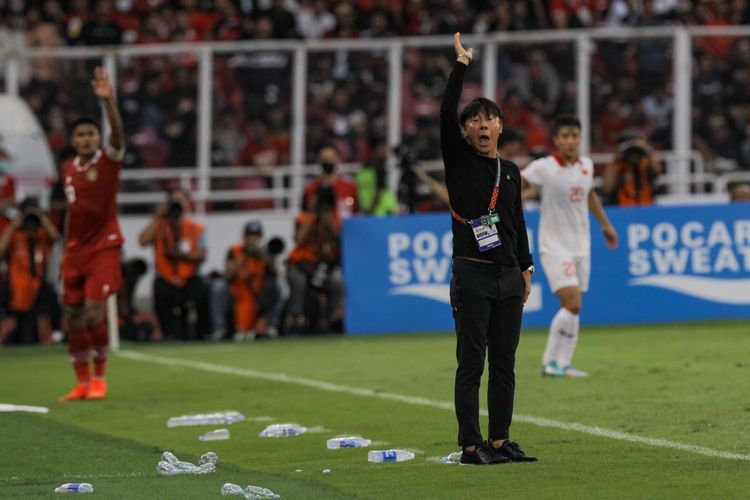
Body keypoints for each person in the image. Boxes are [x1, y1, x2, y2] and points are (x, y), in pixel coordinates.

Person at [442, 33, 536, 466]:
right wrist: (461, 65)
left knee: (505, 362)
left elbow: (516, 223)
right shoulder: (459, 162)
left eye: (488, 119)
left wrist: (526, 267)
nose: (482, 125)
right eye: (474, 121)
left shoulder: (511, 171)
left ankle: (499, 440)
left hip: (507, 277)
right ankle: (469, 445)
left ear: (499, 126)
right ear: (465, 131)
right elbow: (445, 113)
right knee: (471, 364)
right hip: (473, 273)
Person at [521, 115, 619, 378]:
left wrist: (605, 225)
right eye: (564, 136)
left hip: (581, 245)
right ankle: (548, 361)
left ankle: (563, 364)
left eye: (574, 135)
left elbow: (589, 195)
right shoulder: (544, 167)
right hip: (554, 246)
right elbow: (516, 183)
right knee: (572, 302)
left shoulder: (586, 165)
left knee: (575, 305)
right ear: (556, 140)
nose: (570, 140)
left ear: (580, 138)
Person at [58, 67, 125, 402]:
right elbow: (72, 213)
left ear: (98, 138)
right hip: (74, 252)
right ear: (73, 141)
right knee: (71, 316)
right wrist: (65, 252)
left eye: (91, 134)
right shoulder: (68, 170)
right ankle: (81, 382)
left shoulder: (108, 161)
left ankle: (100, 377)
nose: (86, 138)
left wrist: (108, 100)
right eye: (81, 135)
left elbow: (119, 139)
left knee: (94, 312)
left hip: (103, 248)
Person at [138, 188, 211, 340]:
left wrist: (184, 256)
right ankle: (168, 334)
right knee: (160, 290)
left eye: (181, 200)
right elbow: (143, 241)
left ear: (187, 203)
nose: (178, 204)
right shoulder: (160, 225)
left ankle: (203, 333)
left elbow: (202, 253)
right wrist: (157, 217)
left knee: (202, 289)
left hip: (188, 275)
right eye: (174, 200)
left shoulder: (195, 228)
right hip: (166, 276)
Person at [0, 197, 60, 345]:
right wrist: (14, 226)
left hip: (38, 289)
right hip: (16, 290)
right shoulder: (15, 234)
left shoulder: (41, 234)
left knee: (35, 333)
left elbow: (55, 237)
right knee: (14, 332)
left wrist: (42, 218)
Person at [285, 184, 344, 335]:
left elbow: (341, 242)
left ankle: (331, 321)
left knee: (337, 282)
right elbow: (298, 240)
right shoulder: (304, 218)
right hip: (301, 264)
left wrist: (330, 224)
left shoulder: (336, 220)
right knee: (299, 281)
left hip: (324, 265)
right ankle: (295, 319)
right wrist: (311, 217)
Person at [217, 220, 282, 341]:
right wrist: (245, 256)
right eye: (250, 235)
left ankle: (271, 327)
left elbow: (276, 275)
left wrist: (268, 259)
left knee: (277, 288)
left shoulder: (265, 253)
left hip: (257, 295)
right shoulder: (235, 250)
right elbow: (227, 275)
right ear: (244, 237)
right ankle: (220, 330)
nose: (253, 239)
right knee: (218, 287)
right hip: (237, 293)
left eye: (256, 235)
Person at [302, 145, 358, 219]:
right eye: (325, 159)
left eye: (331, 159)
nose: (328, 162)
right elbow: (306, 214)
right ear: (318, 161)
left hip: (345, 229)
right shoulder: (310, 188)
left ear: (338, 159)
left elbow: (355, 213)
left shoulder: (350, 187)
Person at [602, 137, 662, 206]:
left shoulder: (645, 164)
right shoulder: (618, 166)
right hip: (622, 209)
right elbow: (607, 188)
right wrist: (616, 159)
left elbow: (658, 171)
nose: (633, 156)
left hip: (646, 208)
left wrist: (647, 150)